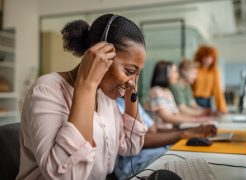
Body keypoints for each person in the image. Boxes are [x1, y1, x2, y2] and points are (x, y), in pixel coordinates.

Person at [17, 14, 148, 180]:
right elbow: (65, 175)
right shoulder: (46, 90)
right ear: (99, 54)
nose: (132, 82)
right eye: (129, 71)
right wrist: (86, 85)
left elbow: (131, 146)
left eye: (138, 74)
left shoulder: (105, 97)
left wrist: (130, 89)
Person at [113, 97, 217, 180]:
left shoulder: (129, 101)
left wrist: (194, 130)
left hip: (160, 153)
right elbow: (138, 141)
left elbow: (154, 130)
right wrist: (183, 134)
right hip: (134, 166)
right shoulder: (114, 105)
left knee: (203, 163)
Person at [146, 61, 213, 130]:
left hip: (169, 130)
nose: (177, 75)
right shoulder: (156, 91)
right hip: (161, 132)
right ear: (165, 74)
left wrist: (199, 119)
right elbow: (166, 118)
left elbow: (177, 114)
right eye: (175, 72)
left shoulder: (167, 92)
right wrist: (196, 120)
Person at [192, 45, 228, 113]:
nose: (208, 60)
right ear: (200, 57)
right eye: (206, 57)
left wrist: (222, 108)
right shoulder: (195, 69)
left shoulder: (215, 71)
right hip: (193, 100)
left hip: (207, 101)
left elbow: (218, 90)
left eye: (211, 57)